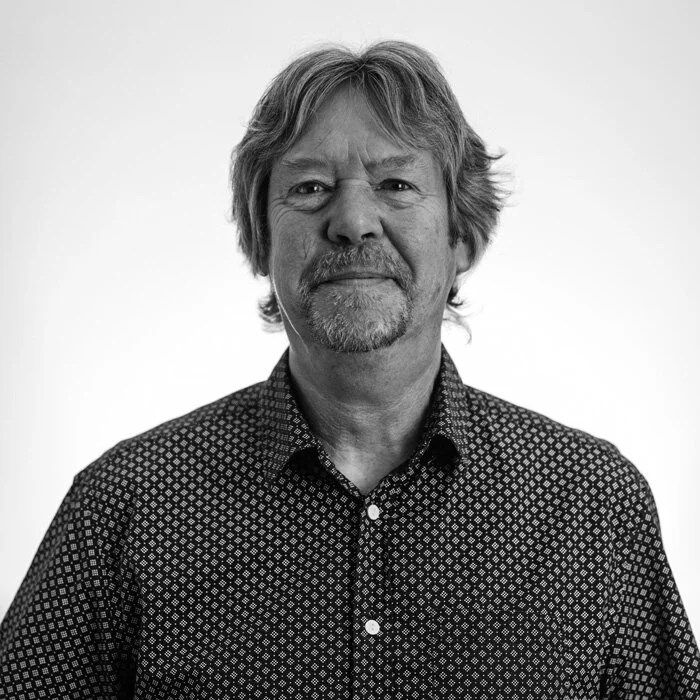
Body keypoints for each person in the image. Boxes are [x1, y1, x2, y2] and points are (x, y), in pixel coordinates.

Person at [1, 40, 699, 699]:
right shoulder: (127, 507)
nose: (354, 220)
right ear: (260, 239)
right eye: (309, 188)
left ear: (461, 236)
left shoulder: (593, 508)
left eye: (396, 183)